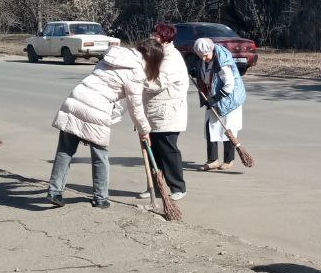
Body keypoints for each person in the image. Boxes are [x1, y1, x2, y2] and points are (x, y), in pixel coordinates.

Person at [47, 38, 160, 210]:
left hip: (76, 99)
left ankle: (54, 192)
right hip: (97, 108)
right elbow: (135, 108)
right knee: (100, 156)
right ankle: (100, 198)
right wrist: (145, 131)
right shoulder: (136, 72)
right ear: (152, 58)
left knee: (65, 151)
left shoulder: (114, 56)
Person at [138, 22, 190, 200]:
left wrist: (136, 81)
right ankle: (156, 186)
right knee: (152, 151)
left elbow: (157, 83)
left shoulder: (172, 58)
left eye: (155, 35)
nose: (151, 37)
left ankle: (177, 187)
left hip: (168, 113)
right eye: (152, 33)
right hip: (151, 111)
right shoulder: (154, 53)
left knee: (168, 151)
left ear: (165, 38)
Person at [194, 36, 246, 171]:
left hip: (229, 99)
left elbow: (229, 85)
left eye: (205, 55)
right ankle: (212, 160)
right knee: (210, 128)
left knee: (228, 128)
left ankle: (229, 160)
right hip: (213, 97)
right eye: (200, 56)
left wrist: (215, 98)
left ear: (211, 50)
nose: (203, 59)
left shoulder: (223, 62)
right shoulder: (204, 59)